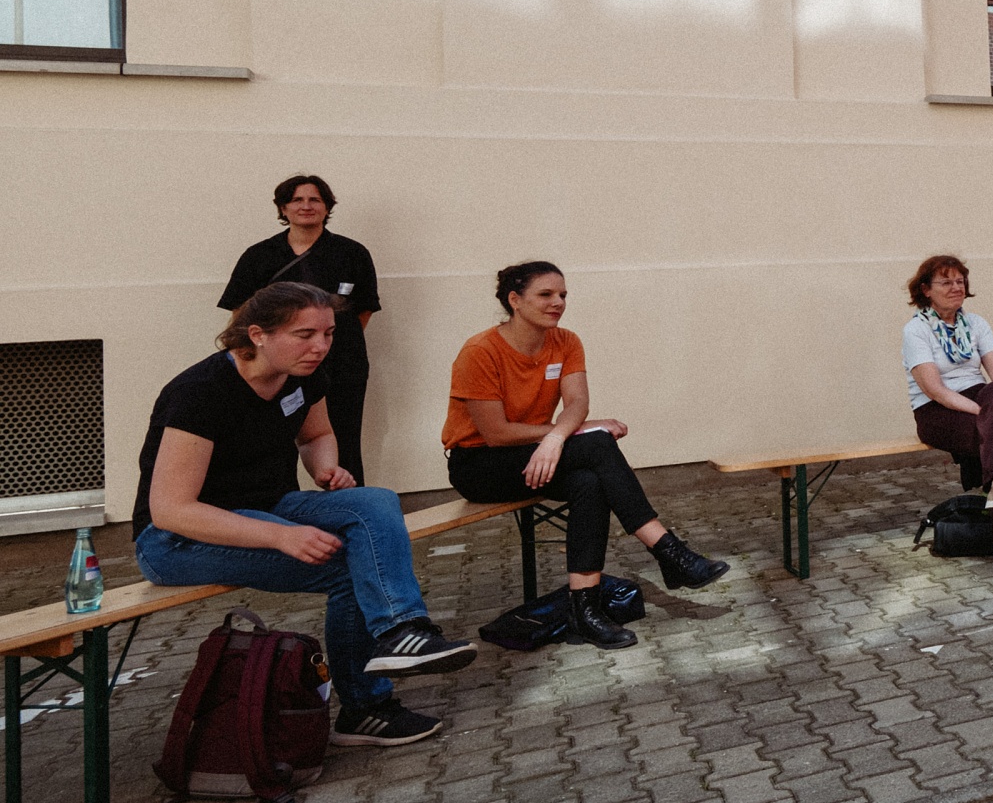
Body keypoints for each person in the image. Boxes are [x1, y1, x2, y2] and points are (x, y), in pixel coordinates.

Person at [135, 282, 472, 747]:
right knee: (348, 567)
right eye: (305, 334)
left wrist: (325, 468)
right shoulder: (199, 393)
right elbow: (172, 510)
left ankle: (401, 631)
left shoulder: (303, 376)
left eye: (328, 334)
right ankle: (365, 708)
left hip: (270, 505)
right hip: (175, 540)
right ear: (257, 335)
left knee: (374, 501)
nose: (320, 347)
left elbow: (315, 436)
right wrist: (280, 537)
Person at [441, 262, 729, 651]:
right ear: (515, 300)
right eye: (545, 294)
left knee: (589, 482)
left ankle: (586, 611)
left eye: (563, 295)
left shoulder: (566, 341)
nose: (558, 302)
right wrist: (560, 435)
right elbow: (496, 432)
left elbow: (577, 403)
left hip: (535, 454)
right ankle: (668, 552)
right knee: (596, 442)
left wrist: (558, 436)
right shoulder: (480, 351)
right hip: (479, 464)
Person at [218, 175, 383, 484]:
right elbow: (241, 313)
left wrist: (325, 342)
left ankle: (350, 502)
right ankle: (277, 504)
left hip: (342, 364)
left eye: (314, 200)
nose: (306, 206)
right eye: (297, 200)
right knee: (272, 439)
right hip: (276, 365)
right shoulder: (259, 256)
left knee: (343, 439)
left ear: (327, 207)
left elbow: (363, 309)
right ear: (283, 208)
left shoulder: (352, 253)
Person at [903, 253, 993, 572]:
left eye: (960, 281)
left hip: (980, 397)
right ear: (925, 289)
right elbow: (935, 389)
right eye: (946, 282)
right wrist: (987, 413)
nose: (956, 287)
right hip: (937, 411)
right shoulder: (916, 331)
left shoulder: (976, 324)